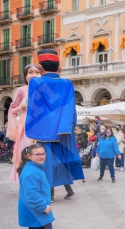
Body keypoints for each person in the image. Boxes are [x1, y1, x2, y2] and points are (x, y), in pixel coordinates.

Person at [25, 49, 84, 200]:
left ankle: (49, 194)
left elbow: (33, 105)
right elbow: (71, 106)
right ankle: (68, 188)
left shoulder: (35, 82)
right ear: (59, 67)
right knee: (62, 160)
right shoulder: (67, 83)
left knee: (45, 160)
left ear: (40, 67)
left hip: (43, 129)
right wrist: (71, 125)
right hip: (63, 129)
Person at [17, 144, 56, 229]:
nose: (41, 156)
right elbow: (31, 195)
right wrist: (44, 207)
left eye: (43, 154)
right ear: (29, 156)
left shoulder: (33, 168)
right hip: (36, 210)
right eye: (37, 154)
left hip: (31, 210)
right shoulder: (31, 171)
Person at [6, 64, 41, 180]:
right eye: (30, 72)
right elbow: (12, 109)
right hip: (26, 125)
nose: (34, 75)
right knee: (26, 151)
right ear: (25, 76)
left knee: (41, 152)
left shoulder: (45, 89)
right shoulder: (21, 90)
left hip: (42, 124)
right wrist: (21, 106)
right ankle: (25, 181)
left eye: (37, 72)